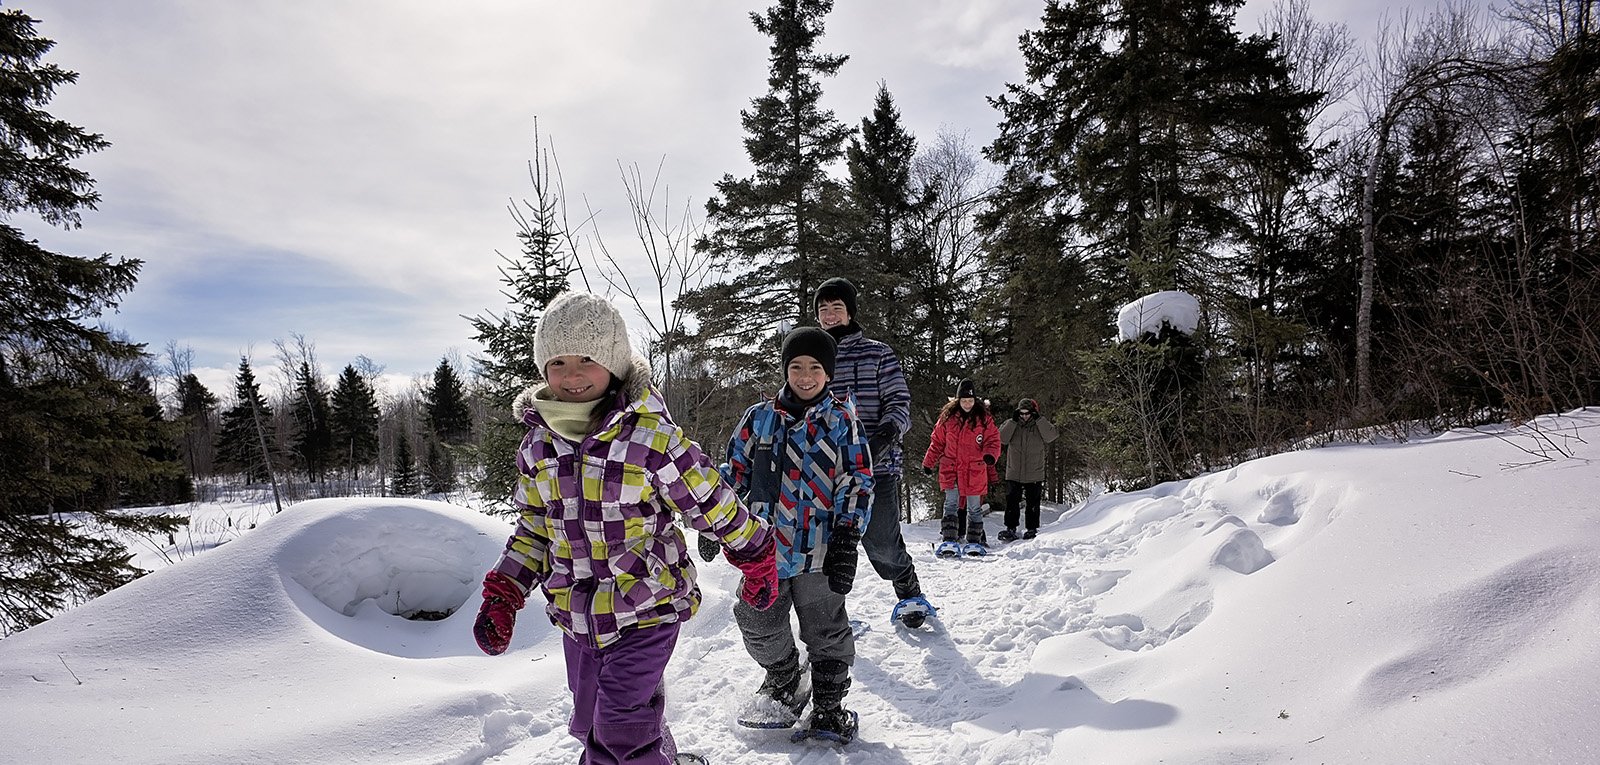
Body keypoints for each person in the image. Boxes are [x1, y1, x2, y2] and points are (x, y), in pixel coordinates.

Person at [473, 291, 778, 765]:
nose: (572, 375)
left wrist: (756, 555)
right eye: (558, 361)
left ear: (613, 363)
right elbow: (534, 528)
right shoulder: (537, 446)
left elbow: (709, 499)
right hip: (578, 616)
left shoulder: (649, 436)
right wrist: (505, 592)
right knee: (591, 723)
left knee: (619, 724)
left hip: (648, 604)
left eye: (587, 359)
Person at [722, 326, 873, 743]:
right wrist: (718, 517)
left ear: (828, 374)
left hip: (820, 549)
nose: (805, 376)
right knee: (755, 618)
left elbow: (858, 480)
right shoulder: (759, 418)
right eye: (796, 367)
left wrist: (847, 535)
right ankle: (786, 677)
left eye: (815, 368)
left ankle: (828, 706)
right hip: (763, 550)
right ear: (785, 369)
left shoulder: (842, 420)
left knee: (825, 627)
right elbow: (732, 470)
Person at [813, 277, 933, 628]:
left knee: (880, 540)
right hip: (824, 470)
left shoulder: (877, 353)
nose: (831, 316)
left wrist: (883, 436)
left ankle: (908, 590)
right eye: (823, 310)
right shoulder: (812, 359)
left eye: (837, 308)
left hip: (874, 469)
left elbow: (899, 404)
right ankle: (829, 616)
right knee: (823, 548)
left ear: (849, 312)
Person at [922, 378, 1001, 557]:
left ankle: (974, 541)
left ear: (975, 401)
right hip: (951, 469)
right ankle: (949, 539)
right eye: (964, 401)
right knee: (950, 504)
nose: (967, 404)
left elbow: (993, 440)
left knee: (974, 507)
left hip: (975, 470)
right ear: (957, 401)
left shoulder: (984, 419)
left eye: (970, 401)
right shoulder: (947, 419)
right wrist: (929, 462)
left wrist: (990, 454)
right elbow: (937, 442)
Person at [998, 397, 1059, 541]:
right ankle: (1010, 528)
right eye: (1022, 413)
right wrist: (1012, 422)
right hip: (1014, 471)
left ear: (1033, 413)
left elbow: (1051, 436)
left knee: (1033, 503)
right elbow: (1001, 438)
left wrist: (1040, 420)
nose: (1025, 416)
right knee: (1012, 502)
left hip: (1034, 471)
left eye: (1028, 413)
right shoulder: (1012, 424)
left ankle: (1032, 528)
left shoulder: (1039, 425)